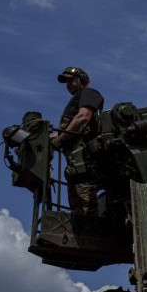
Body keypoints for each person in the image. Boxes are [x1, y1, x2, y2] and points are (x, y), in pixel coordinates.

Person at [50, 66, 104, 215]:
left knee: (86, 203)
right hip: (75, 161)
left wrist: (60, 139)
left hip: (84, 159)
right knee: (78, 206)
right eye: (66, 82)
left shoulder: (89, 93)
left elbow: (83, 117)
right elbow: (65, 131)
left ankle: (90, 230)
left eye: (71, 80)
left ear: (82, 80)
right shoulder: (75, 100)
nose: (68, 84)